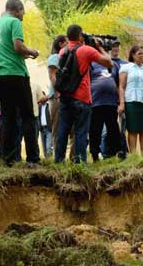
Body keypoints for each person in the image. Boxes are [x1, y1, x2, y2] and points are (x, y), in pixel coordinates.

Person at [0, 0, 40, 165]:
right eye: (23, 11)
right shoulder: (14, 22)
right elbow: (18, 46)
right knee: (27, 116)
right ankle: (33, 159)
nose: (23, 15)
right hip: (17, 75)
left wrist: (21, 54)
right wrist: (32, 51)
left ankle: (8, 159)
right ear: (18, 9)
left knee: (8, 117)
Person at [55, 25, 113, 163]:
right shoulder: (86, 50)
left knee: (63, 131)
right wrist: (99, 48)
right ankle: (79, 162)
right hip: (81, 98)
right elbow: (109, 63)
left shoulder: (62, 51)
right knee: (81, 132)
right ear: (80, 35)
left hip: (65, 97)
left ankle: (58, 161)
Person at [118, 44, 143, 155]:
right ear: (133, 55)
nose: (142, 56)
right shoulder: (126, 67)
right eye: (139, 53)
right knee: (133, 130)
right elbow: (121, 87)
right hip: (131, 101)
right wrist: (122, 103)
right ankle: (134, 156)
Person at [89, 46, 122, 160]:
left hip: (111, 102)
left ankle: (115, 153)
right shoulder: (91, 64)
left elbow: (119, 84)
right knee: (95, 129)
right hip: (95, 102)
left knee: (113, 128)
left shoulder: (114, 65)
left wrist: (120, 101)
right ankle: (94, 154)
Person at [46, 34, 67, 151]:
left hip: (65, 96)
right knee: (57, 127)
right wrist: (58, 91)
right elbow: (52, 76)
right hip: (56, 97)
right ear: (60, 44)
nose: (69, 44)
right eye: (66, 42)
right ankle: (58, 156)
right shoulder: (54, 57)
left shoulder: (66, 57)